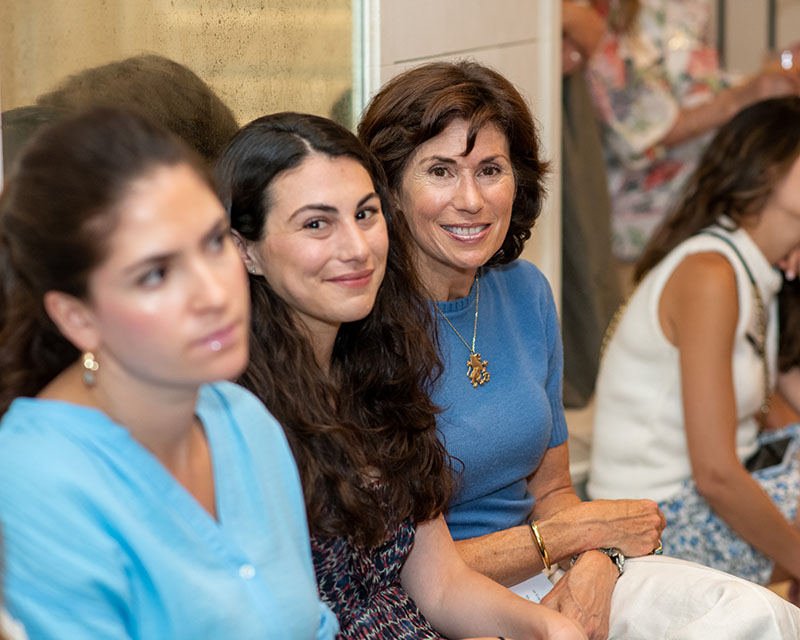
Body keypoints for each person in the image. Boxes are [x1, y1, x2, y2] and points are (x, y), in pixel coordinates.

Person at [358, 60, 800, 640]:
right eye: (440, 171)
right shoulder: (366, 323)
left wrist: (598, 560)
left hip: (551, 566)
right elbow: (409, 572)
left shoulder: (525, 291)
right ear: (389, 189)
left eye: (490, 170)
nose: (471, 199)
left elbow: (553, 491)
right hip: (435, 605)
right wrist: (578, 537)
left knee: (757, 617)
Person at [216, 112, 586, 640]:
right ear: (244, 249)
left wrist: (551, 630)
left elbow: (442, 586)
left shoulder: (379, 369)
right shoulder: (228, 409)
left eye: (365, 214)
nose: (356, 247)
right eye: (316, 224)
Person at [0, 107, 337, 639]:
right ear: (77, 317)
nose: (214, 293)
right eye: (156, 273)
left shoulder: (244, 419)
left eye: (214, 242)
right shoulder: (35, 482)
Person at [589, 97, 800, 596]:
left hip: (690, 501)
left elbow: (774, 402)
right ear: (766, 168)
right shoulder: (711, 273)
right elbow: (716, 476)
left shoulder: (751, 267)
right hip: (653, 522)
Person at [586, 0, 800, 261]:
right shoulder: (620, 10)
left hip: (700, 198)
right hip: (650, 216)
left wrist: (768, 80)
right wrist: (745, 95)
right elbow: (640, 127)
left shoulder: (690, 8)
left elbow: (696, 86)